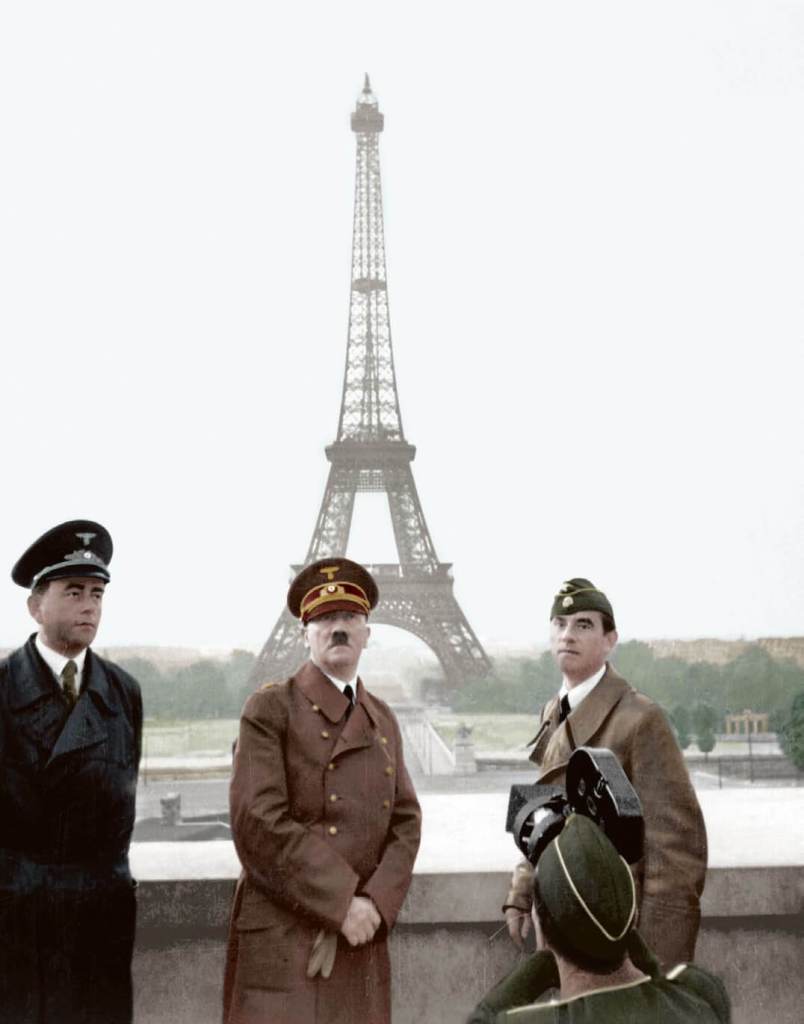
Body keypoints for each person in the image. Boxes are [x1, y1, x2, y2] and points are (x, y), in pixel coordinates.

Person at [223, 558, 422, 1024]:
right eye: (325, 618)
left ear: (367, 632)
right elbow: (257, 822)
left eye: (349, 617)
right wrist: (341, 902)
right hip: (288, 939)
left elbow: (406, 820)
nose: (338, 628)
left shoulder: (383, 717)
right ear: (304, 632)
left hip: (360, 937)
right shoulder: (269, 709)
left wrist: (373, 904)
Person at [504, 578, 707, 968]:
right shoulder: (553, 712)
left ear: (610, 640)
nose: (568, 635)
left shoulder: (641, 720)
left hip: (616, 943)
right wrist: (520, 892)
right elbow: (545, 815)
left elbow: (676, 856)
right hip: (561, 929)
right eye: (560, 624)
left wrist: (656, 966)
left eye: (583, 625)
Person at [0, 520, 142, 1024]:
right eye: (74, 591)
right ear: (35, 605)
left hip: (99, 925)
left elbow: (119, 814)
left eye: (98, 593)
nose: (90, 606)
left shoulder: (124, 692)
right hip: (20, 926)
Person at [471, 814, 729, 1022]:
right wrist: (612, 919)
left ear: (541, 925)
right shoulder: (703, 999)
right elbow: (659, 989)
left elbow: (482, 1018)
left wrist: (546, 958)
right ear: (633, 913)